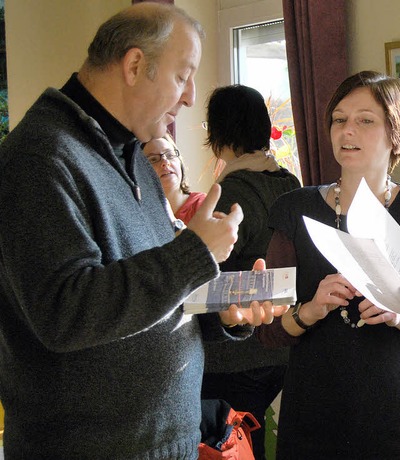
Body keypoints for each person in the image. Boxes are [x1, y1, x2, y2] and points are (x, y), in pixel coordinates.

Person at [0, 4, 284, 459]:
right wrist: (194, 252)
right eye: (182, 75)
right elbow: (64, 313)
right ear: (134, 65)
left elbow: (146, 295)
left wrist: (221, 315)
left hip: (165, 441)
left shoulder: (131, 154)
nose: (191, 96)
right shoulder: (41, 159)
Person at [256, 70, 400, 459]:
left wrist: (399, 315)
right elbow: (270, 330)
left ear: (397, 134)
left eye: (365, 120)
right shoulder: (294, 209)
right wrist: (311, 309)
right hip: (313, 426)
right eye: (339, 119)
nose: (347, 131)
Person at [198, 84, 301, 460]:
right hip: (283, 346)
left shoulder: (231, 193)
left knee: (228, 444)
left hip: (239, 352)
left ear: (218, 132)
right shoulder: (289, 183)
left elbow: (207, 273)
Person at [143, 131, 206, 224]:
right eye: (153, 159)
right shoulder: (141, 215)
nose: (165, 162)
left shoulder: (203, 204)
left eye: (170, 155)